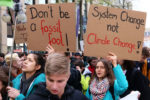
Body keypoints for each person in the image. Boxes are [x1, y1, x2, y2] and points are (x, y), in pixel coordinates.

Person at [24, 52, 88, 100]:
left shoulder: (78, 97)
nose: (54, 87)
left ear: (68, 76)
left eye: (60, 81)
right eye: (51, 80)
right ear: (45, 75)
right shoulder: (34, 98)